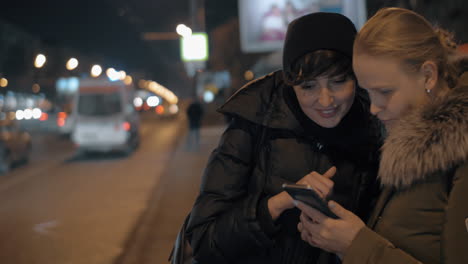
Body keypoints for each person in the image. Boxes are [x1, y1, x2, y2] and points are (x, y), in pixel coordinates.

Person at [185, 12, 382, 264]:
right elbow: (203, 241)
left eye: (339, 81)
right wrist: (276, 205)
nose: (326, 100)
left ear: (357, 78)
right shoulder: (253, 124)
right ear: (290, 82)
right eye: (308, 86)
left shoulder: (374, 127)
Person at [296, 7, 468, 264]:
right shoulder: (409, 139)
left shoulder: (459, 150)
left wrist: (356, 244)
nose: (374, 107)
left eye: (385, 92)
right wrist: (336, 232)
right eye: (368, 92)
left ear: (428, 76)